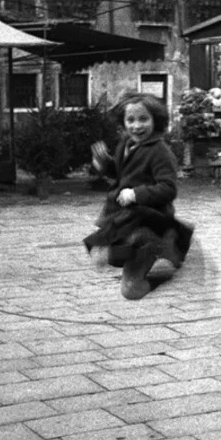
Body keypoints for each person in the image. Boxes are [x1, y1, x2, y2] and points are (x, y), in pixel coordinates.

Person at [84, 93, 193, 300]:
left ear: (156, 120)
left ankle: (167, 252)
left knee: (112, 254)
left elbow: (168, 188)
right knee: (127, 285)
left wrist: (136, 194)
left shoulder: (160, 152)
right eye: (130, 120)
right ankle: (161, 262)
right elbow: (121, 174)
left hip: (147, 218)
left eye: (143, 119)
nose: (136, 126)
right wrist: (103, 164)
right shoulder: (126, 144)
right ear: (123, 122)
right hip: (123, 213)